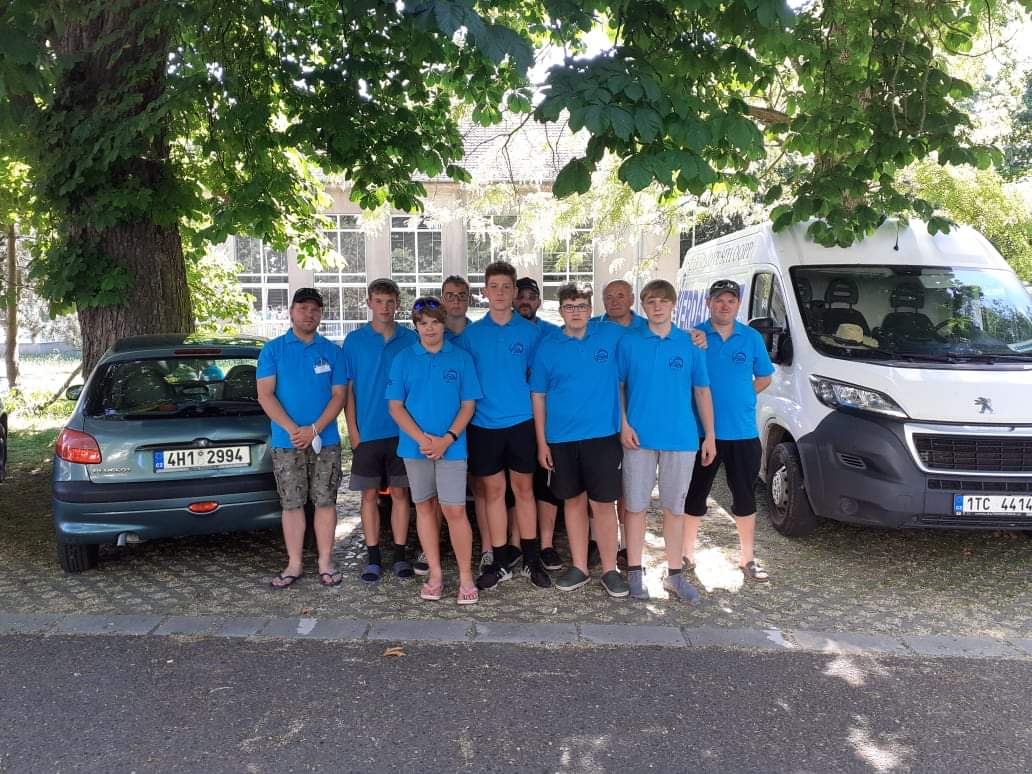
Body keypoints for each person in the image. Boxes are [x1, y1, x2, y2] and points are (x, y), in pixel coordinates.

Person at [455, 261, 552, 590]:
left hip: (522, 422)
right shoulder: (470, 336)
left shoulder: (532, 333)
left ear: (514, 292)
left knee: (524, 491)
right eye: (493, 287)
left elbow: (540, 380)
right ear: (485, 292)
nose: (499, 293)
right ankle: (499, 562)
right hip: (483, 425)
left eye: (506, 287)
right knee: (494, 493)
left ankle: (531, 560)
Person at [618, 279, 715, 602]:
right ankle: (635, 572)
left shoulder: (691, 343)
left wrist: (710, 435)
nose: (657, 306)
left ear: (673, 305)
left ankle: (674, 574)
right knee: (635, 507)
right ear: (643, 306)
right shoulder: (630, 341)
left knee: (675, 508)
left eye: (663, 301)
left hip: (681, 438)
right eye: (650, 301)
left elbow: (702, 390)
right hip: (638, 439)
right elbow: (618, 386)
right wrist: (623, 424)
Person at [531, 282, 629, 597]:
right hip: (561, 439)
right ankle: (580, 567)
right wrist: (542, 443)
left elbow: (648, 332)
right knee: (572, 502)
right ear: (561, 311)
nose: (576, 312)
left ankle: (611, 570)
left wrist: (692, 336)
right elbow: (538, 396)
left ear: (590, 309)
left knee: (603, 504)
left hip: (603, 437)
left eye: (582, 306)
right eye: (570, 307)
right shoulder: (548, 347)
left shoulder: (610, 335)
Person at [387, 297, 483, 604]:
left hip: (452, 448)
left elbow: (468, 405)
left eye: (435, 322)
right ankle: (435, 574)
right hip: (415, 448)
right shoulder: (403, 359)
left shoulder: (461, 358)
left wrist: (447, 439)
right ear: (415, 327)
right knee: (425, 507)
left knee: (454, 510)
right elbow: (395, 406)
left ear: (444, 324)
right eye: (423, 323)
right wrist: (423, 439)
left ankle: (465, 577)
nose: (430, 328)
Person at [682, 279, 775, 582]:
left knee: (744, 495)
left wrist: (744, 396)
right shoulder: (694, 336)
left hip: (742, 433)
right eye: (719, 300)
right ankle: (686, 555)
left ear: (738, 304)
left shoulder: (751, 338)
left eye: (731, 300)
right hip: (700, 432)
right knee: (695, 494)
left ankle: (747, 558)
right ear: (708, 302)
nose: (724, 305)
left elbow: (764, 377)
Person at [256, 287, 348, 589]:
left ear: (321, 314)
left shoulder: (333, 351)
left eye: (315, 309)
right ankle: (294, 563)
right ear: (291, 312)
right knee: (292, 503)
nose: (309, 314)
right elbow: (265, 394)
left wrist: (315, 429)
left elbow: (339, 396)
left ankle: (326, 562)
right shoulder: (273, 350)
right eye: (303, 308)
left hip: (326, 440)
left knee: (325, 501)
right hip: (287, 442)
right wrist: (293, 429)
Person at [341, 278, 418, 583]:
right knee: (369, 495)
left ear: (397, 303)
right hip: (368, 431)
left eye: (390, 302)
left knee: (401, 493)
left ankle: (399, 555)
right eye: (379, 301)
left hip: (403, 432)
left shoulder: (410, 339)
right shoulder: (354, 340)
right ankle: (372, 557)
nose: (385, 307)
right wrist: (353, 430)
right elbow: (348, 390)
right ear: (369, 303)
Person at [513, 276, 563, 568]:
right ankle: (515, 544)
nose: (525, 301)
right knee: (517, 486)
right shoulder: (503, 331)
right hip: (513, 419)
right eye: (520, 296)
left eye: (531, 297)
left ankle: (545, 544)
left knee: (546, 483)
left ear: (539, 302)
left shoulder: (553, 333)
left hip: (548, 417)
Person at [442, 275, 474, 341]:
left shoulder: (480, 333)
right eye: (449, 296)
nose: (456, 301)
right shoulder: (429, 334)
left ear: (470, 300)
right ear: (442, 300)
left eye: (462, 296)